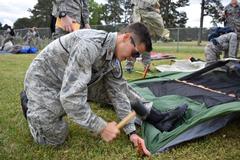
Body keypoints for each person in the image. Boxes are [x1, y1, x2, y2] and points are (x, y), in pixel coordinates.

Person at [21, 23, 187, 156]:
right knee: (54, 138)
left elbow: (119, 96)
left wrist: (131, 133)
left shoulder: (113, 58)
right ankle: (29, 103)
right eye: (135, 53)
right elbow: (71, 98)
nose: (132, 59)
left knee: (121, 87)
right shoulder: (89, 46)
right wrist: (100, 126)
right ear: (127, 38)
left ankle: (157, 117)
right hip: (44, 83)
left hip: (70, 82)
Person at [125, 0, 170, 73]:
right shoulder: (137, 7)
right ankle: (129, 67)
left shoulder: (152, 4)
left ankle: (147, 67)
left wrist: (155, 9)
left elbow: (157, 7)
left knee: (146, 47)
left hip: (147, 26)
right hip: (137, 25)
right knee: (134, 46)